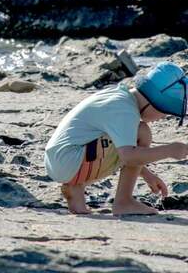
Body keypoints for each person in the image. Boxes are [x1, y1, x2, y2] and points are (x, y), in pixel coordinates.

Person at [45, 61, 188, 215]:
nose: (163, 117)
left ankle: (75, 188)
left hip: (59, 160)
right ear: (153, 103)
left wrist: (147, 175)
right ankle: (124, 201)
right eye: (164, 111)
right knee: (142, 132)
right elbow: (128, 157)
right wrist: (169, 150)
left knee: (127, 140)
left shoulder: (119, 96)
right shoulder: (126, 112)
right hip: (71, 160)